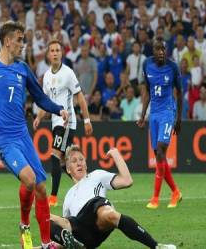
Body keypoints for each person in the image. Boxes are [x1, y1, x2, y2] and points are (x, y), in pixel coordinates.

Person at [0, 21, 69, 249]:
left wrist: (59, 109)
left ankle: (46, 243)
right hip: (5, 139)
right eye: (19, 39)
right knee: (29, 179)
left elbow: (39, 97)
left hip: (23, 136)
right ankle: (24, 226)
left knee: (42, 188)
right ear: (7, 41)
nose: (22, 44)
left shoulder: (23, 69)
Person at [49, 145, 177, 249]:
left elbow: (127, 181)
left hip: (96, 212)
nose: (79, 163)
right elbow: (66, 231)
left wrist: (116, 155)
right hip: (81, 230)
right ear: (68, 169)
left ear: (86, 165)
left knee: (107, 213)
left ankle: (156, 246)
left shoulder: (96, 175)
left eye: (81, 159)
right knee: (47, 218)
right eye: (74, 161)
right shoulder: (68, 196)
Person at [33, 39, 93, 207]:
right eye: (51, 50)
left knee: (54, 155)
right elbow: (46, 102)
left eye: (57, 50)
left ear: (62, 53)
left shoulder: (68, 73)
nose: (54, 53)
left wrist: (87, 119)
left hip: (67, 122)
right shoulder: (46, 76)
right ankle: (85, 185)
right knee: (63, 162)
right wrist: (39, 117)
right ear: (48, 54)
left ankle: (53, 197)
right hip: (55, 121)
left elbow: (79, 96)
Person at [137, 37, 183, 209]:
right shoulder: (146, 65)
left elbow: (180, 92)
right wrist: (143, 116)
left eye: (164, 49)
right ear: (153, 51)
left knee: (161, 149)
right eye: (158, 49)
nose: (162, 52)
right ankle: (175, 192)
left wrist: (179, 118)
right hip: (154, 114)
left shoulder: (172, 67)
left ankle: (155, 198)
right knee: (159, 155)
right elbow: (148, 92)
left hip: (167, 112)